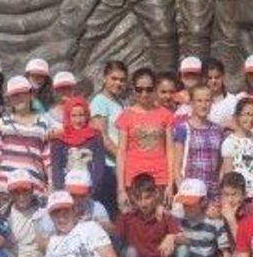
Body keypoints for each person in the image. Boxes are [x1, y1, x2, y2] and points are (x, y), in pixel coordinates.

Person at [115, 68, 175, 209]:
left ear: (155, 89)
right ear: (133, 90)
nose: (144, 94)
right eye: (139, 89)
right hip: (133, 180)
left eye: (149, 89)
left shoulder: (166, 115)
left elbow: (170, 150)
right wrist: (121, 188)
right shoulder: (126, 116)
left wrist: (170, 184)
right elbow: (121, 152)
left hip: (159, 179)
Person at [118, 174, 181, 257]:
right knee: (130, 253)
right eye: (138, 198)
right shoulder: (127, 217)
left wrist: (172, 236)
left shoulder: (164, 216)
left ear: (156, 194)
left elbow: (185, 237)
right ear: (132, 197)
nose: (143, 203)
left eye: (147, 197)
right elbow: (116, 244)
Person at [0, 75, 53, 192]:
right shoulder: (2, 123)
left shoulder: (43, 123)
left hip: (33, 186)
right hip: (5, 186)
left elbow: (47, 156)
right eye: (14, 95)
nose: (19, 98)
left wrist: (50, 182)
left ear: (30, 94)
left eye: (22, 94)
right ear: (9, 99)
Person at [1, 171, 50, 257]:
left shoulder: (45, 209)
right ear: (10, 193)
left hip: (33, 255)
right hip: (12, 256)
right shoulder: (2, 213)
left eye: (25, 191)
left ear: (32, 190)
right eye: (16, 192)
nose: (21, 196)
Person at [172, 84, 225, 201]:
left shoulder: (218, 130)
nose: (204, 105)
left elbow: (221, 163)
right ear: (192, 103)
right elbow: (177, 165)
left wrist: (219, 186)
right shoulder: (183, 128)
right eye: (199, 101)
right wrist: (182, 190)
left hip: (212, 192)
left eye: (207, 101)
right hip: (190, 191)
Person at [90, 60, 127, 215]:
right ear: (105, 78)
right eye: (114, 78)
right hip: (108, 167)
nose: (118, 83)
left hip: (119, 165)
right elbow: (101, 136)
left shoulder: (120, 103)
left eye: (122, 80)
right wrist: (122, 157)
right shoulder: (99, 101)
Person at [51, 96, 107, 198]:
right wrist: (62, 192)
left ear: (87, 115)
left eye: (81, 115)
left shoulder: (95, 137)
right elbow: (56, 169)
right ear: (68, 116)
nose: (78, 120)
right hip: (66, 191)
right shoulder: (58, 140)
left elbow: (99, 166)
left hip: (89, 190)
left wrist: (92, 190)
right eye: (74, 116)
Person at [219, 97, 253, 195]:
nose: (250, 119)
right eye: (247, 114)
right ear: (237, 116)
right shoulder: (230, 142)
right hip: (238, 194)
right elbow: (228, 173)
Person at [218, 171, 249, 240]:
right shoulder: (215, 212)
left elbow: (244, 244)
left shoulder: (250, 215)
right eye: (226, 195)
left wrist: (231, 220)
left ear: (244, 195)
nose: (230, 200)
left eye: (235, 195)